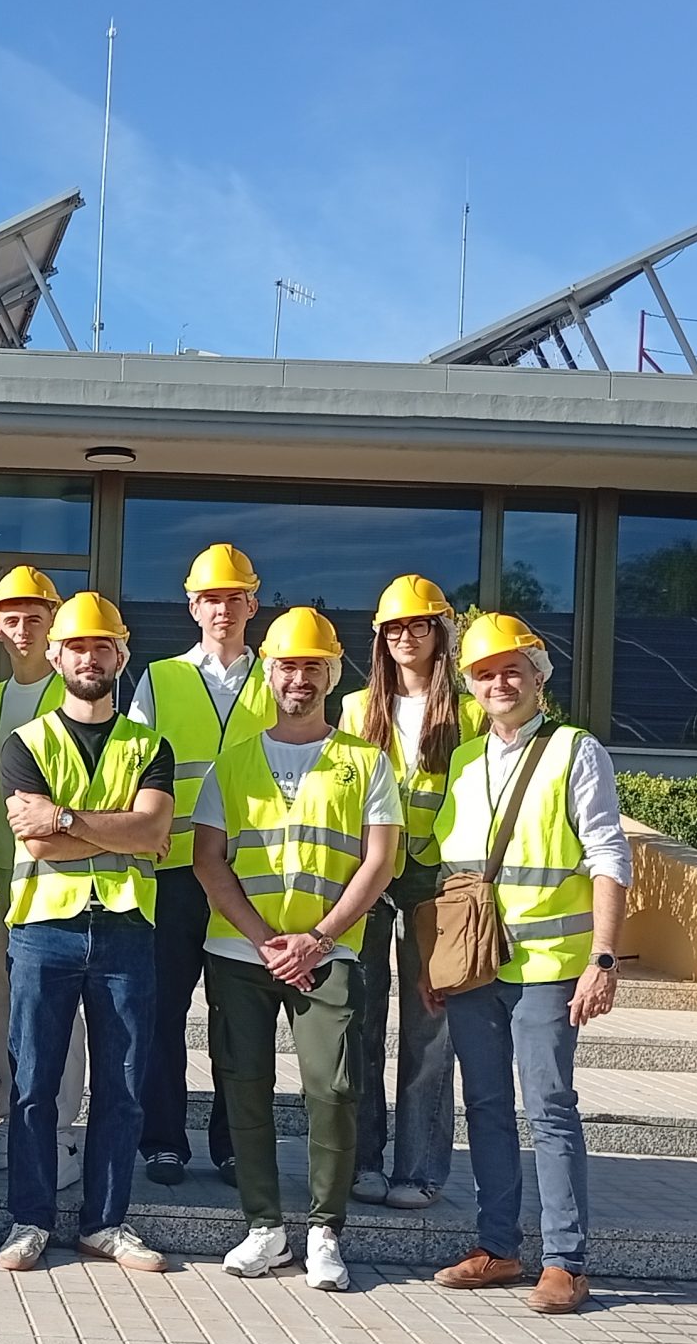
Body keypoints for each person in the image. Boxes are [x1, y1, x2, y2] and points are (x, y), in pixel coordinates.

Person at [193, 608, 403, 1293]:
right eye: (288, 666)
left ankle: (323, 1231)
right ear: (270, 673)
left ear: (331, 674)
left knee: (333, 1089)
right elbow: (208, 860)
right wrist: (265, 941)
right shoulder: (233, 762)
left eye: (313, 666)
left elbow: (379, 862)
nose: (299, 678)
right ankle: (264, 1226)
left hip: (330, 955)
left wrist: (318, 939)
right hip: (240, 953)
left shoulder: (366, 762)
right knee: (244, 1085)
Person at [427, 614, 631, 1317]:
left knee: (548, 1107)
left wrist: (603, 958)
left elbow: (608, 856)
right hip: (475, 966)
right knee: (484, 1106)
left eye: (512, 670)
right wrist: (437, 963)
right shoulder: (463, 761)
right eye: (485, 673)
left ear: (539, 678)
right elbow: (453, 874)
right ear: (470, 686)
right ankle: (497, 1247)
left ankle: (565, 1262)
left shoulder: (575, 750)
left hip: (549, 963)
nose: (499, 683)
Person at [0, 593, 172, 1274]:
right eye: (77, 647)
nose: (90, 658)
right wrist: (118, 830)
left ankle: (106, 1224)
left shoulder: (149, 745)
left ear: (121, 656)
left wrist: (66, 818)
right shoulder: (26, 743)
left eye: (102, 647)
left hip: (126, 930)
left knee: (123, 1088)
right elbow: (36, 846)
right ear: (56, 656)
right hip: (45, 929)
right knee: (34, 1085)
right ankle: (29, 1219)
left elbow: (153, 830)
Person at [128, 544, 272, 1188]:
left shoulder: (278, 677)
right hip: (173, 875)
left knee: (239, 1018)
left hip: (250, 874)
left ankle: (235, 1144)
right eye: (211, 598)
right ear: (192, 606)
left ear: (252, 604)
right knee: (161, 1014)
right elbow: (133, 765)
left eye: (233, 597)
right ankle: (162, 1141)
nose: (222, 609)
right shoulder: (160, 679)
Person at [341, 575, 482, 1209]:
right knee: (361, 1023)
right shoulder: (353, 709)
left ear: (439, 633)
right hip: (368, 874)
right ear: (380, 638)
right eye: (394, 627)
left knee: (431, 1027)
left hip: (438, 880)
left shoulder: (470, 713)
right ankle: (362, 1162)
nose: (405, 636)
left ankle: (420, 1170)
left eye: (417, 625)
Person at [0, 567, 84, 1185]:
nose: (24, 629)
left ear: (53, 624)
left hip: (58, 879)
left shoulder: (78, 701)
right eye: (13, 619)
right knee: (3, 1012)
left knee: (55, 1011)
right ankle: (17, 1122)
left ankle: (59, 1134)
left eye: (36, 618)